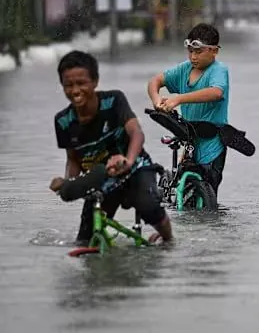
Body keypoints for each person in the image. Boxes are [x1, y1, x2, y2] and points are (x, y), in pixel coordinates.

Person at [50, 50, 173, 245]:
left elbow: (136, 133)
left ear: (95, 81)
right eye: (68, 85)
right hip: (103, 177)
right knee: (84, 242)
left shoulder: (114, 100)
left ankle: (169, 240)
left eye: (81, 83)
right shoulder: (63, 121)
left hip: (135, 167)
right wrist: (67, 182)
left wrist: (128, 160)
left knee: (148, 207)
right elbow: (73, 158)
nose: (75, 91)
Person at [147, 23, 229, 199]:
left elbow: (216, 92)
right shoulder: (184, 69)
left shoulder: (219, 70)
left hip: (212, 143)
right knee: (184, 193)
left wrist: (178, 98)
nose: (193, 57)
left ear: (214, 51)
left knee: (208, 194)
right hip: (190, 138)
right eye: (190, 52)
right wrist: (156, 99)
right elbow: (155, 81)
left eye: (198, 52)